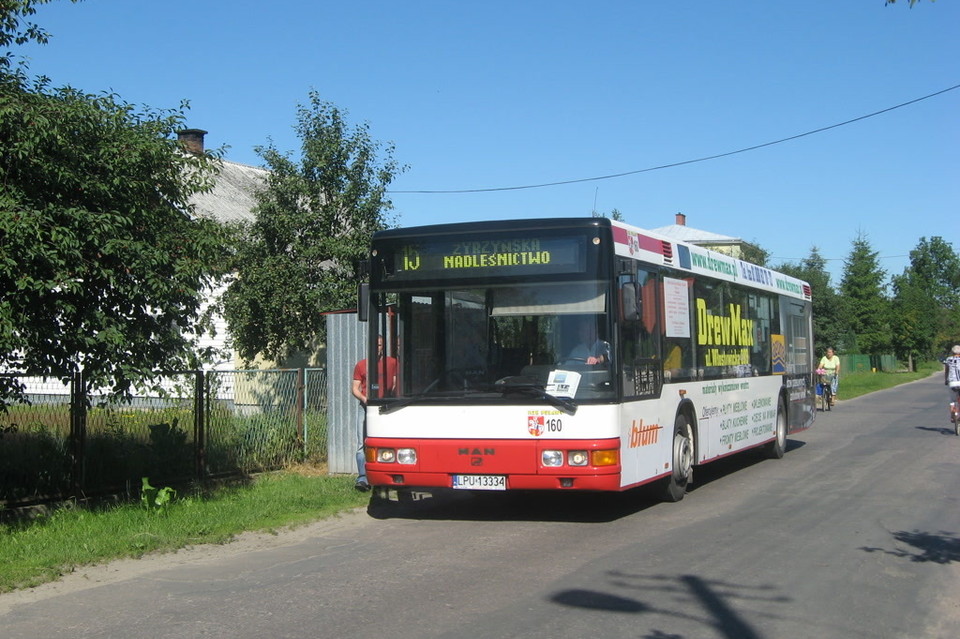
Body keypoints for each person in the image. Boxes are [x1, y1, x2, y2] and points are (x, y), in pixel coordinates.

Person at [351, 336, 398, 491]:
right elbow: (355, 388)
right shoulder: (361, 365)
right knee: (362, 443)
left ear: (382, 347)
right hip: (365, 408)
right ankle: (363, 479)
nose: (377, 348)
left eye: (379, 345)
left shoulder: (391, 363)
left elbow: (395, 383)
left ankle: (386, 477)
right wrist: (365, 400)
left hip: (385, 407)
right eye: (375, 345)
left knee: (387, 442)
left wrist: (388, 399)